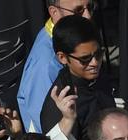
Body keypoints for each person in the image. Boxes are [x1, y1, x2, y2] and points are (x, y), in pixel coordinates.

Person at [16, 0, 95, 131]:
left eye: (90, 7)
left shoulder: (66, 34)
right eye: (78, 11)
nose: (88, 16)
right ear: (54, 12)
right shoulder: (45, 65)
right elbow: (42, 125)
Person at [38, 16, 116, 140]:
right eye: (84, 59)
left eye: (98, 54)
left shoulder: (98, 77)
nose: (95, 63)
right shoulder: (59, 105)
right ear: (62, 58)